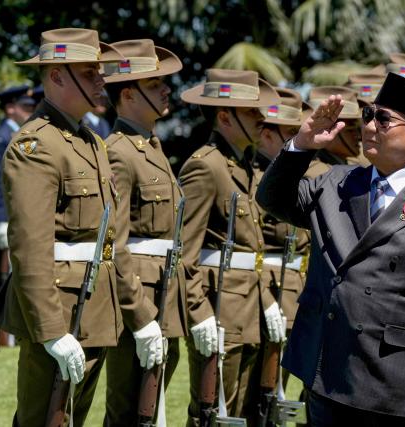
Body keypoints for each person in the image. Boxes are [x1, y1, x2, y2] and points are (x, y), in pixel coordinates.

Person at [256, 72, 405, 426]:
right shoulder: (336, 183)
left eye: (383, 119)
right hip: (330, 375)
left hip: (403, 385)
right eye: (367, 115)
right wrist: (302, 145)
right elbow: (272, 199)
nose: (368, 127)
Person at [0, 28, 162, 427]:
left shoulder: (91, 142)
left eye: (99, 71)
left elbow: (110, 242)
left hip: (97, 310)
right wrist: (50, 330)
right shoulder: (36, 145)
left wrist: (138, 314)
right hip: (60, 312)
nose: (101, 80)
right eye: (88, 73)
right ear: (56, 76)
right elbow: (30, 247)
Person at [178, 69, 283, 424]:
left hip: (248, 306)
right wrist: (198, 313)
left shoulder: (247, 166)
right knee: (212, 414)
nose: (261, 118)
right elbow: (183, 253)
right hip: (219, 307)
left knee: (242, 413)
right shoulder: (205, 167)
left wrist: (267, 301)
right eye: (251, 111)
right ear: (225, 116)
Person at [101, 39, 186, 425]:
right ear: (129, 94)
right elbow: (116, 244)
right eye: (155, 85)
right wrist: (138, 314)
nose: (166, 89)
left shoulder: (150, 146)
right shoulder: (119, 150)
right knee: (128, 410)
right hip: (139, 298)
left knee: (149, 409)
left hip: (163, 294)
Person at [254, 87, 311, 391]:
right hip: (259, 293)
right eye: (289, 133)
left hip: (292, 290)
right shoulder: (254, 177)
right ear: (266, 134)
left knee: (278, 398)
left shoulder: (300, 179)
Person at [0, 85, 37, 346]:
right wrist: (0, 219)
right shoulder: (2, 137)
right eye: (25, 107)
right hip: (7, 216)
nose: (29, 112)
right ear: (10, 108)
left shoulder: (22, 134)